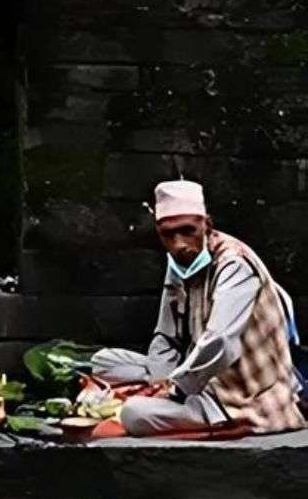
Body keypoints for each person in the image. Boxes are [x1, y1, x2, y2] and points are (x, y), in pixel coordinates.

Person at [92, 180, 304, 437]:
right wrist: (161, 380)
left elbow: (220, 343)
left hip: (240, 394)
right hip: (192, 372)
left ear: (207, 225)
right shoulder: (179, 263)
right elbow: (165, 336)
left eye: (187, 231)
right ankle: (166, 400)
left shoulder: (234, 264)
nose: (179, 244)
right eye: (168, 235)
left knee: (134, 414)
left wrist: (176, 389)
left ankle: (202, 416)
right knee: (103, 361)